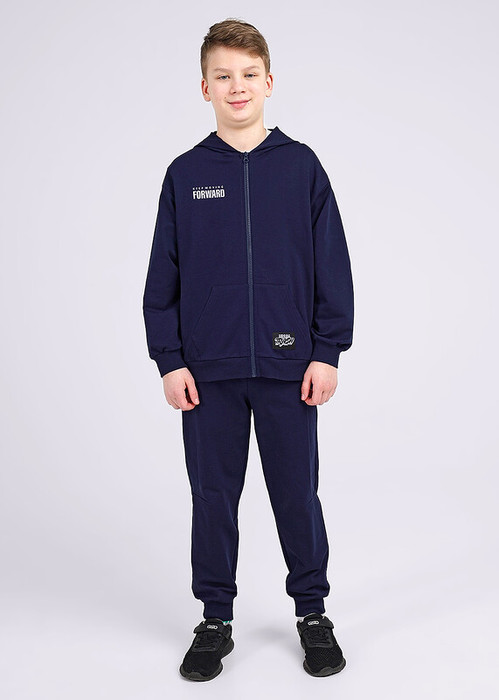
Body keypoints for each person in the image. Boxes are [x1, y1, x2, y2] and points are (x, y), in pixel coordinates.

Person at [142, 17, 355, 682]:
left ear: (269, 82)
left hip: (291, 367)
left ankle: (312, 613)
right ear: (204, 87)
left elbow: (332, 265)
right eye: (223, 76)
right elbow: (162, 277)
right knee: (213, 496)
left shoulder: (301, 167)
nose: (237, 86)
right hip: (208, 372)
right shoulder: (185, 175)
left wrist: (327, 351)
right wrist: (170, 359)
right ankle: (215, 619)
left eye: (248, 75)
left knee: (297, 494)